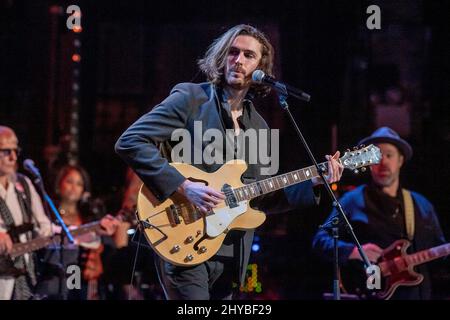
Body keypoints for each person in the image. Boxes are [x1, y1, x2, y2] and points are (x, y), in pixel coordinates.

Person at [115, 24, 343, 300]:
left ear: (262, 68)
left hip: (233, 252)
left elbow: (261, 196)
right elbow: (131, 142)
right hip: (184, 238)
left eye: (249, 55)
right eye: (233, 52)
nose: (239, 60)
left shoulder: (258, 125)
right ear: (221, 57)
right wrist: (184, 186)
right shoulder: (191, 99)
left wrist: (314, 181)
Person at [312, 127, 447, 300]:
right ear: (367, 162)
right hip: (368, 293)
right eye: (377, 156)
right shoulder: (352, 201)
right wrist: (353, 251)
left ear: (401, 160)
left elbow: (439, 255)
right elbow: (320, 241)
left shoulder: (422, 205)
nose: (383, 162)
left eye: (389, 155)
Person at [34, 164, 120, 300]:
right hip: (49, 275)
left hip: (77, 279)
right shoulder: (47, 214)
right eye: (69, 181)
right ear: (59, 184)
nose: (74, 187)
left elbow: (107, 247)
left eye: (79, 184)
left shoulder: (89, 217)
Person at [0, 125, 52, 300]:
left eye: (15, 151)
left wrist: (86, 231)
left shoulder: (24, 185)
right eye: (6, 151)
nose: (13, 157)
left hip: (24, 277)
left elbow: (44, 226)